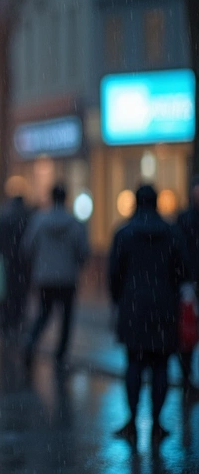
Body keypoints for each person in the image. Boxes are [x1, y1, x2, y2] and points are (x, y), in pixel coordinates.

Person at [110, 185, 185, 444]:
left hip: (133, 306)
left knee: (134, 363)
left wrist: (119, 299)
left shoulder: (124, 233)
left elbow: (114, 274)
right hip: (163, 306)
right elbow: (182, 271)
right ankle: (156, 422)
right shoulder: (172, 233)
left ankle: (132, 420)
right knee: (161, 365)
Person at [22, 184, 89, 370]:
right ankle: (61, 355)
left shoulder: (39, 220)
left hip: (44, 276)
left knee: (43, 313)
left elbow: (27, 247)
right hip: (67, 277)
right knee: (66, 318)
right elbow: (83, 251)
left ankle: (30, 342)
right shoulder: (74, 223)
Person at [0, 194, 34, 339]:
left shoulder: (6, 217)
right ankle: (17, 321)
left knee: (7, 293)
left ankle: (6, 322)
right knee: (21, 294)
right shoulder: (28, 217)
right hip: (24, 262)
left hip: (8, 261)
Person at [173, 176, 199, 395]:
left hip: (188, 281)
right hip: (189, 282)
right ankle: (187, 376)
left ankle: (187, 377)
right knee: (188, 332)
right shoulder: (185, 219)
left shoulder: (183, 219)